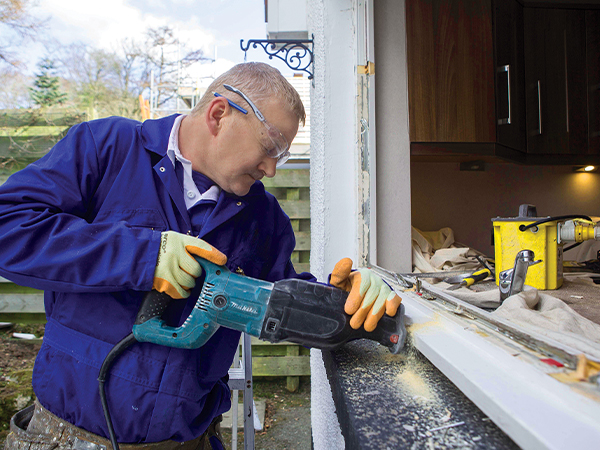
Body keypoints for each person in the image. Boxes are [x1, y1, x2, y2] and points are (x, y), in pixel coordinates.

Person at [0, 62, 401, 450]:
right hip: (69, 437)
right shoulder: (106, 149)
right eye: (269, 147)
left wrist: (349, 300)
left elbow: (281, 301)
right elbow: (9, 227)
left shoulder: (262, 217)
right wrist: (144, 256)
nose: (272, 169)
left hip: (190, 441)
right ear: (219, 114)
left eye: (282, 155)